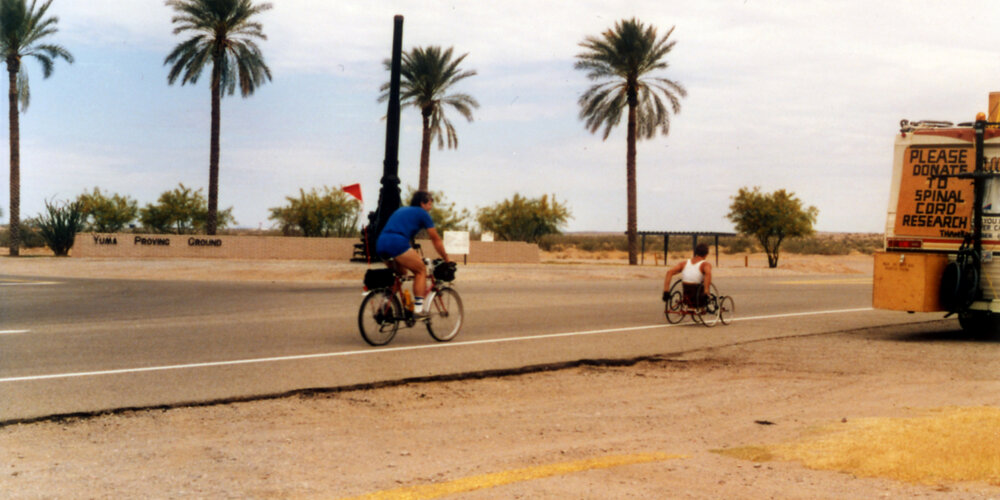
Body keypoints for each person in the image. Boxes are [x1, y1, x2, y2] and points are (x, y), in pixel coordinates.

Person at [375, 191, 450, 315]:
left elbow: (402, 234)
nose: (430, 207)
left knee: (402, 273)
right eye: (430, 204)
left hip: (381, 243)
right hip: (397, 243)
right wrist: (446, 258)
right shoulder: (423, 214)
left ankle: (385, 304)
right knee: (420, 270)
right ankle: (418, 309)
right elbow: (435, 239)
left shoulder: (401, 210)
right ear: (422, 203)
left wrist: (414, 255)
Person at [663, 243, 713, 309]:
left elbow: (669, 272)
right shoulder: (705, 264)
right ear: (706, 254)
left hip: (686, 291)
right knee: (706, 276)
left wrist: (666, 291)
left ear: (696, 252)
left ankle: (667, 292)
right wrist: (706, 291)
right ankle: (706, 294)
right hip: (697, 292)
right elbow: (708, 274)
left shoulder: (684, 263)